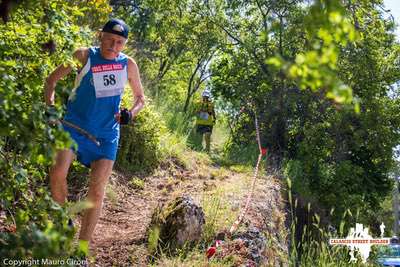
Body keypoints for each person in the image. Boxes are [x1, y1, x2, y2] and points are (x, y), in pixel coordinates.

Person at [44, 18, 145, 244]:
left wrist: (130, 113)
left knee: (97, 192)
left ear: (125, 44)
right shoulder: (83, 55)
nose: (113, 45)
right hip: (73, 127)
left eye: (119, 42)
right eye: (110, 38)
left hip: (106, 136)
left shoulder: (128, 64)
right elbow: (51, 81)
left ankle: (81, 250)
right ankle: (63, 218)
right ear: (100, 35)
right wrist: (50, 110)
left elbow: (140, 99)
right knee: (57, 173)